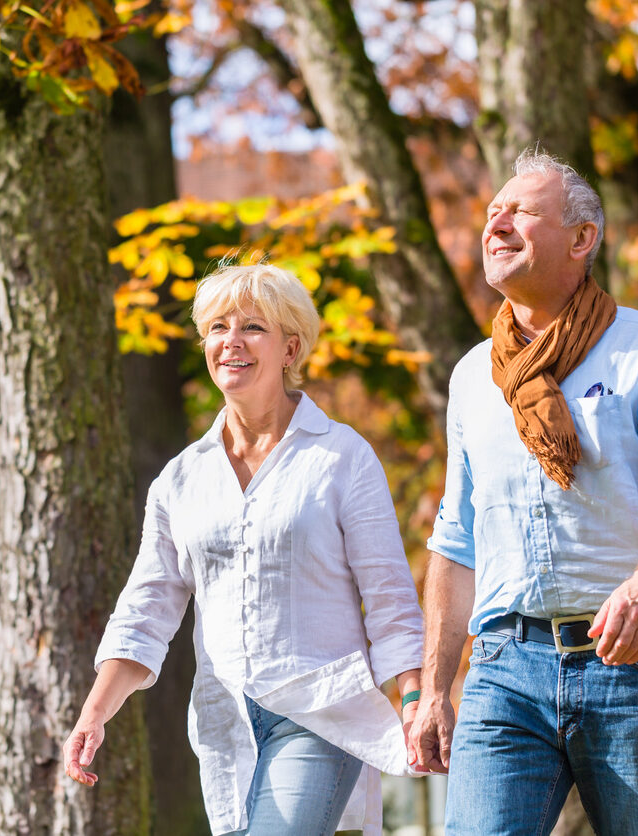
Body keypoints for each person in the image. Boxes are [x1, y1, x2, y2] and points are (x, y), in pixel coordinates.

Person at [407, 148, 638, 836]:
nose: (495, 223)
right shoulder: (473, 376)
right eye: (492, 212)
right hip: (504, 669)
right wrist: (435, 690)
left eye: (520, 211)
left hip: (635, 664)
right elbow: (456, 536)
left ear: (583, 238)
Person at [62, 262, 424, 836]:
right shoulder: (180, 479)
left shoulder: (341, 458)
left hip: (317, 713)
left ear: (290, 347)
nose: (231, 341)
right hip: (225, 721)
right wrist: (95, 711)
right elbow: (147, 608)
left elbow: (389, 597)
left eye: (253, 326)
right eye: (217, 328)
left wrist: (414, 701)